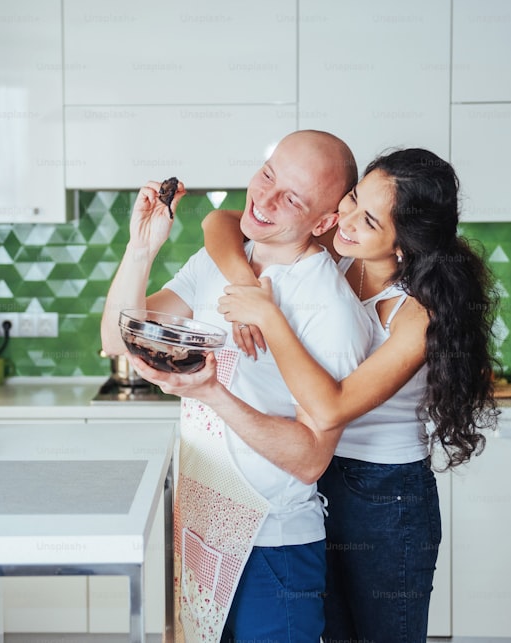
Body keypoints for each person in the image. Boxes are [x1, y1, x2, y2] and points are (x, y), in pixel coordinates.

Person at [131, 147, 500, 643]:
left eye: (368, 219)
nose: (346, 220)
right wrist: (247, 283)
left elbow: (330, 406)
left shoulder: (416, 313)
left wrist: (267, 315)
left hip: (384, 498)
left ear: (403, 246)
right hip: (317, 478)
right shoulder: (341, 246)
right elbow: (222, 223)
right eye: (350, 199)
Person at [100, 130, 374, 643]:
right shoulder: (218, 262)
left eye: (292, 197)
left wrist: (209, 393)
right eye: (268, 175)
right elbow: (118, 338)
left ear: (325, 222)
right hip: (201, 526)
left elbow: (311, 459)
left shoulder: (331, 310)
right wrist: (141, 249)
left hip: (274, 550)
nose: (265, 199)